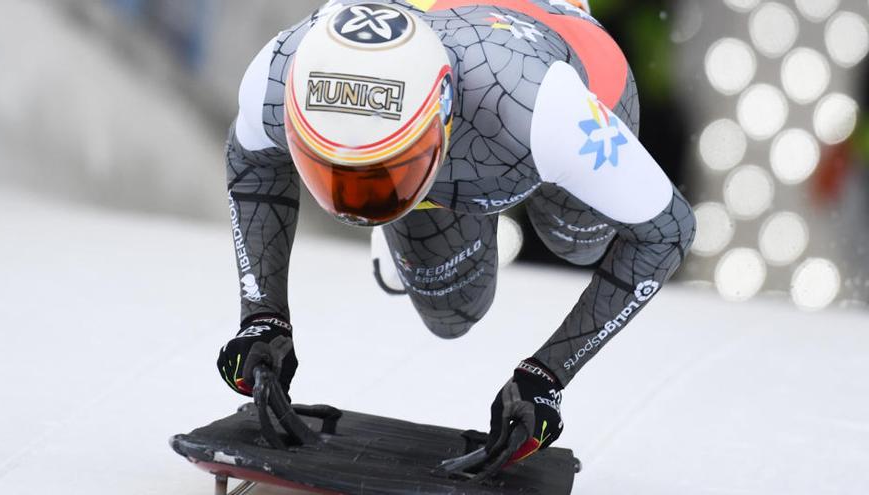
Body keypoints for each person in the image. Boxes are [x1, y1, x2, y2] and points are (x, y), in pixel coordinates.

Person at [217, 0, 695, 468]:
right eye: (330, 170)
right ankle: (413, 196)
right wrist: (262, 318)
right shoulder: (280, 73)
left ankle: (422, 202)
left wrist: (548, 376)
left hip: (557, 79)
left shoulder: (549, 114)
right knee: (453, 314)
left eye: (379, 175)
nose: (355, 205)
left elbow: (668, 231)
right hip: (474, 117)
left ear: (441, 117)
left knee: (579, 243)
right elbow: (252, 158)